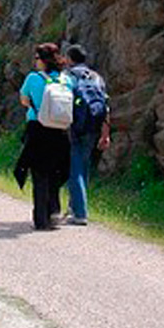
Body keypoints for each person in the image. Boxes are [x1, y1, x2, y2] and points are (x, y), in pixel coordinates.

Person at [15, 43, 73, 230]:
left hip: (38, 129)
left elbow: (24, 100)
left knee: (39, 174)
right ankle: (54, 212)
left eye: (37, 58)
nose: (35, 61)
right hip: (60, 131)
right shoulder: (66, 80)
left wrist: (36, 105)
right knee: (55, 172)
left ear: (43, 60)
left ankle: (41, 218)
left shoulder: (33, 78)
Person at [63, 44, 111, 226]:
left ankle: (80, 213)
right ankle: (74, 206)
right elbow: (105, 106)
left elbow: (62, 102)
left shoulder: (69, 76)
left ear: (69, 59)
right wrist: (105, 134)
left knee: (75, 170)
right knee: (83, 167)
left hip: (74, 128)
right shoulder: (97, 77)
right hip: (93, 128)